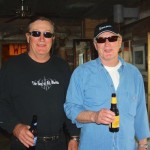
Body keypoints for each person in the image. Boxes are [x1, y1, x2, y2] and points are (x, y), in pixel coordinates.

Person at [64, 22, 150, 150]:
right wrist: (94, 116)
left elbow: (140, 113)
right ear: (95, 44)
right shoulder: (81, 73)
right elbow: (71, 109)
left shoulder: (134, 74)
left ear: (119, 41)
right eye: (101, 39)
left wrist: (143, 145)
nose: (107, 44)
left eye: (112, 38)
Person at [0, 16, 80, 150]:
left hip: (59, 144)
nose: (42, 39)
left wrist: (74, 137)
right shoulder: (12, 67)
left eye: (47, 34)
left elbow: (70, 103)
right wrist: (15, 127)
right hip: (25, 144)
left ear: (53, 39)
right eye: (36, 33)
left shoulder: (62, 67)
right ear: (28, 37)